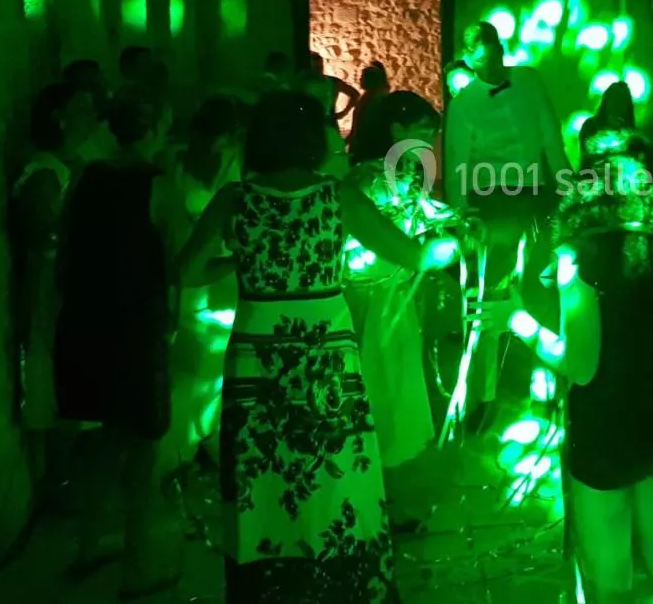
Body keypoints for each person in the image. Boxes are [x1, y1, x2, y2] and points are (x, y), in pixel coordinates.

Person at [177, 90, 457, 603]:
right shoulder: (335, 196)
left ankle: (270, 584)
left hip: (258, 353)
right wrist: (448, 243)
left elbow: (188, 271)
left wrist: (245, 262)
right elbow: (414, 255)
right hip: (323, 352)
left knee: (265, 470)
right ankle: (342, 581)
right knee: (334, 468)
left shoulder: (234, 199)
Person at [549, 132, 653, 604]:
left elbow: (580, 367)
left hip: (607, 429)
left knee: (611, 578)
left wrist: (517, 320)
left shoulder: (578, 258)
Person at [55, 89, 179, 596]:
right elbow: (172, 260)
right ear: (153, 130)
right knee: (144, 448)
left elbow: (66, 246)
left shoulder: (87, 177)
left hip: (87, 321)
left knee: (104, 439)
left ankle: (87, 548)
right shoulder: (158, 183)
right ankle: (137, 570)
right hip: (135, 325)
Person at [443, 20, 571, 431]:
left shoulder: (529, 80)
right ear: (470, 61)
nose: (491, 65)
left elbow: (552, 137)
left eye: (495, 54)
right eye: (481, 60)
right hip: (491, 203)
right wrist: (462, 214)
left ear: (502, 48)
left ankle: (544, 389)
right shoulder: (464, 103)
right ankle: (483, 398)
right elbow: (457, 160)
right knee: (488, 299)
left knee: (544, 289)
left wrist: (568, 189)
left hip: (538, 196)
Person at [346, 90, 456, 531]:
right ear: (397, 131)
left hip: (393, 298)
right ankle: (379, 502)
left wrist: (459, 222)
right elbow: (395, 236)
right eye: (423, 132)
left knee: (394, 395)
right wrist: (438, 247)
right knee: (384, 397)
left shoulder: (396, 173)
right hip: (376, 303)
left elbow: (426, 212)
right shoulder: (373, 179)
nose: (430, 143)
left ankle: (384, 497)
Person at [11, 82, 101, 504]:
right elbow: (45, 238)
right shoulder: (44, 174)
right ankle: (55, 483)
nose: (93, 118)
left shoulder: (72, 166)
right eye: (82, 109)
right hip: (50, 299)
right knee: (52, 387)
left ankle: (66, 479)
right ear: (58, 118)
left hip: (68, 294)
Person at [154, 96, 244, 472]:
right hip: (190, 273)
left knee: (215, 367)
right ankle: (179, 453)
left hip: (220, 277)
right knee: (190, 368)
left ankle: (207, 445)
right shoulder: (172, 164)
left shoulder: (233, 163)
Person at [578, 81, 635, 155]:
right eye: (615, 99)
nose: (618, 105)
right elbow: (585, 156)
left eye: (621, 100)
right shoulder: (590, 126)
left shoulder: (633, 135)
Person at [349, 61, 391, 149]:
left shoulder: (375, 98)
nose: (360, 79)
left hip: (367, 142)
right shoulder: (370, 95)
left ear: (371, 80)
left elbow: (365, 121)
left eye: (362, 77)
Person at [309, 52, 361, 123]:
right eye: (316, 68)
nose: (319, 70)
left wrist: (344, 113)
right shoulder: (305, 81)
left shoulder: (333, 82)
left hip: (328, 122)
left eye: (320, 67)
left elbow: (355, 94)